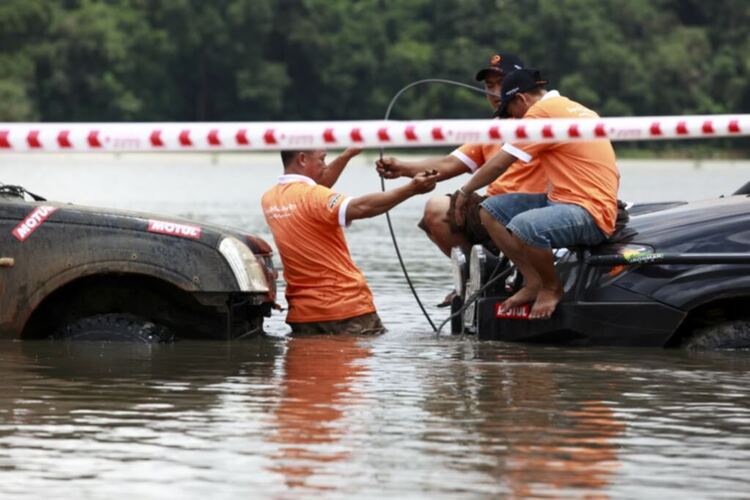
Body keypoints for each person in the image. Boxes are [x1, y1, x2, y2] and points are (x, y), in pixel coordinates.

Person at [454, 68, 619, 319]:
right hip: (564, 199)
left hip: (589, 211)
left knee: (526, 226)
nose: (514, 121)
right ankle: (533, 282)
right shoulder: (573, 108)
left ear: (521, 100)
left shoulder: (541, 115)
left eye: (510, 113)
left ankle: (552, 287)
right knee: (490, 210)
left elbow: (501, 163)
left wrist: (465, 191)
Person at [375, 53, 548, 261]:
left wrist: (466, 191)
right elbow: (449, 164)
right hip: (491, 209)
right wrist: (401, 167)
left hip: (531, 207)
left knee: (451, 207)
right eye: (489, 85)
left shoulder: (540, 119)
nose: (494, 92)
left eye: (501, 84)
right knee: (436, 212)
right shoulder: (492, 128)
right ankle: (476, 278)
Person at [262, 148, 438, 334]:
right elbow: (361, 207)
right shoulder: (315, 197)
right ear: (303, 159)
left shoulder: (270, 199)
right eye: (322, 160)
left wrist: (348, 155)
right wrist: (411, 189)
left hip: (303, 316)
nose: (326, 166)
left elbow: (315, 189)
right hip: (346, 308)